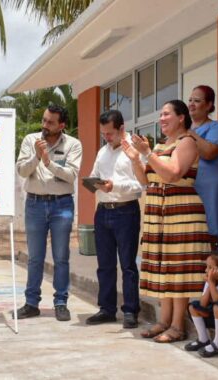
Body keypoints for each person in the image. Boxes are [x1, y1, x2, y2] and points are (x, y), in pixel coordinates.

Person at [121, 99, 212, 343]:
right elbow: (146, 180)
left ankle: (177, 325)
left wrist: (147, 153)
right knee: (164, 269)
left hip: (181, 213)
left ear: (181, 118)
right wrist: (134, 158)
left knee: (178, 270)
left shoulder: (187, 142)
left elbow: (173, 173)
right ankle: (163, 321)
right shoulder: (162, 146)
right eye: (160, 115)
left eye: (166, 114)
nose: (161, 119)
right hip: (159, 213)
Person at [14, 105, 83, 321]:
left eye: (51, 122)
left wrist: (47, 162)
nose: (45, 126)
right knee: (35, 257)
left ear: (62, 125)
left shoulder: (73, 144)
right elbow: (22, 171)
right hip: (34, 204)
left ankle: (61, 302)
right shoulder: (30, 140)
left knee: (61, 257)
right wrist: (36, 155)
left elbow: (71, 175)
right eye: (44, 120)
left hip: (61, 205)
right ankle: (31, 303)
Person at [85, 110, 143, 328]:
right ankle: (106, 309)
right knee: (105, 264)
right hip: (103, 211)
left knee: (128, 264)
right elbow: (94, 174)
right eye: (103, 134)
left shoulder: (134, 150)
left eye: (110, 133)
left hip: (126, 210)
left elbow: (141, 185)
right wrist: (94, 183)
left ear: (121, 129)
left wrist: (114, 186)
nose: (107, 138)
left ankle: (130, 311)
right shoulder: (103, 152)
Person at [186, 85, 218, 244]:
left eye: (197, 101)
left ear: (208, 105)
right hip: (190, 187)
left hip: (210, 188)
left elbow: (209, 152)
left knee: (208, 236)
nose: (191, 104)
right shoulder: (184, 129)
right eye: (190, 100)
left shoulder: (216, 127)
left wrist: (189, 133)